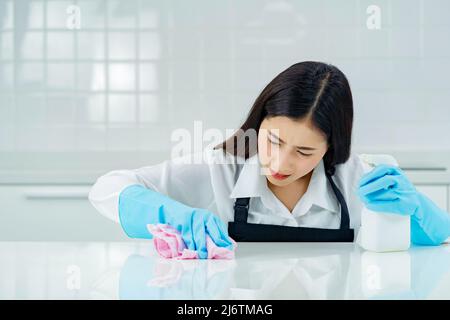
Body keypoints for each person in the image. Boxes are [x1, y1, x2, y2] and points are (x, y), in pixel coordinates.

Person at [89, 61, 450, 259]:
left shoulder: (356, 178)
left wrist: (414, 206)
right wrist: (176, 217)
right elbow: (107, 189)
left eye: (304, 152)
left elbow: (440, 236)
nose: (279, 162)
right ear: (259, 122)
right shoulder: (220, 168)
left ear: (331, 147)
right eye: (273, 140)